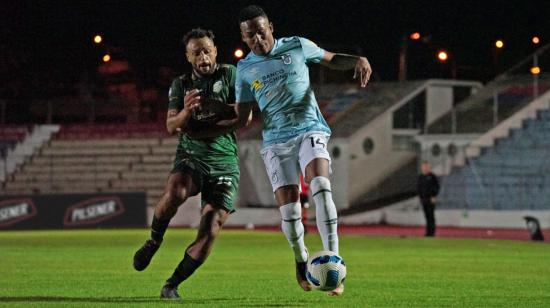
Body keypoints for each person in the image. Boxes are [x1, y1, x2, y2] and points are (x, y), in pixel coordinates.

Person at [226, 5, 373, 296]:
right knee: (291, 212)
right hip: (276, 142)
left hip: (310, 129)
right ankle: (300, 258)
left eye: (260, 30)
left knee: (320, 187)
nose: (256, 38)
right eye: (249, 35)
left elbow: (330, 60)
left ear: (270, 26)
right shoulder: (244, 69)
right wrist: (213, 116)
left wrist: (357, 59)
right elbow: (243, 117)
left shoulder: (297, 45)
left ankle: (334, 261)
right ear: (244, 39)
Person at [132, 28, 244, 299]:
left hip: (224, 162)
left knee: (210, 230)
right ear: (188, 56)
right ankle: (154, 240)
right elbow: (172, 125)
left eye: (207, 50)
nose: (203, 56)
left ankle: (171, 284)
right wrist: (186, 112)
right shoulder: (181, 84)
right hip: (191, 155)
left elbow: (244, 117)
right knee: (176, 191)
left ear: (215, 50)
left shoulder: (231, 74)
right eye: (197, 52)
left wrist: (203, 126)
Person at [417, 161, 440, 237]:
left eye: (427, 166)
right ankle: (427, 232)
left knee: (431, 216)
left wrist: (434, 196)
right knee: (426, 216)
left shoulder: (432, 177)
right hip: (424, 200)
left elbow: (437, 187)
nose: (425, 168)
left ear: (429, 167)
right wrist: (420, 197)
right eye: (424, 166)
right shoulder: (420, 177)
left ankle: (432, 232)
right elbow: (419, 188)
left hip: (431, 199)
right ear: (422, 167)